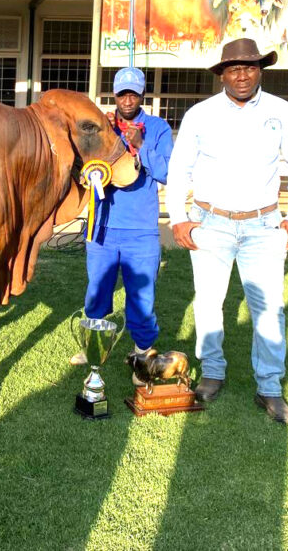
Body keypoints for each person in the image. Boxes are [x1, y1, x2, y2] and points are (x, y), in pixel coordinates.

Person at [166, 38, 288, 424]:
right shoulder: (200, 114)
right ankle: (212, 372)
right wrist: (177, 217)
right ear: (222, 75)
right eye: (234, 69)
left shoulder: (283, 112)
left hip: (264, 226)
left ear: (260, 70)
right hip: (210, 222)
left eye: (249, 67)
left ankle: (269, 389)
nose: (242, 75)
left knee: (268, 309)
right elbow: (179, 168)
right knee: (210, 302)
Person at [73, 67, 173, 382]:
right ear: (114, 94)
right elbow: (81, 166)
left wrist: (142, 144)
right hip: (101, 226)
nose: (127, 100)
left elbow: (167, 173)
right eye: (122, 93)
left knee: (141, 297)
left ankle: (142, 355)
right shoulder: (100, 126)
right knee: (97, 292)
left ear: (142, 94)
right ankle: (93, 348)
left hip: (141, 229)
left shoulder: (157, 128)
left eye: (133, 93)